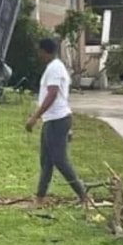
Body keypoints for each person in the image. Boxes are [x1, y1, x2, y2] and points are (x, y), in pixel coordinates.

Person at [25, 37, 90, 209]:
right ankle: (40, 197)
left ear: (45, 51)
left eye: (40, 51)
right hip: (54, 120)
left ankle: (83, 195)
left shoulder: (54, 68)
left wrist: (35, 116)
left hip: (57, 120)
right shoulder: (56, 67)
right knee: (46, 161)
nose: (39, 55)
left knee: (60, 160)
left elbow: (52, 94)